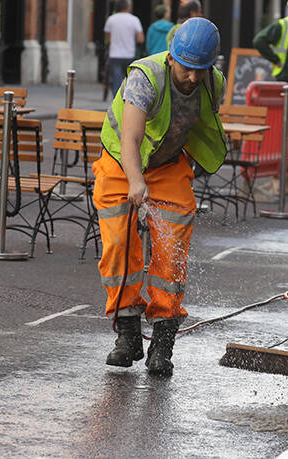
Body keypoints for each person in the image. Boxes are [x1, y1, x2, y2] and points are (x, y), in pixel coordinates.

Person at [94, 18, 227, 376]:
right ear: (172, 58)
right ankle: (127, 335)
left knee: (172, 254)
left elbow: (201, 126)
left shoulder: (214, 84)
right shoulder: (145, 77)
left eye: (203, 69)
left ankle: (162, 345)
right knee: (118, 246)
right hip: (121, 164)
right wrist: (136, 181)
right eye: (188, 68)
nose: (194, 77)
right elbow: (131, 139)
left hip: (168, 166)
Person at [104, 0, 145, 98]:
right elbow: (140, 39)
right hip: (129, 54)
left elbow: (107, 38)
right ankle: (128, 101)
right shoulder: (134, 20)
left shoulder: (111, 19)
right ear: (128, 7)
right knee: (130, 81)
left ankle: (116, 102)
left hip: (115, 54)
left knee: (116, 81)